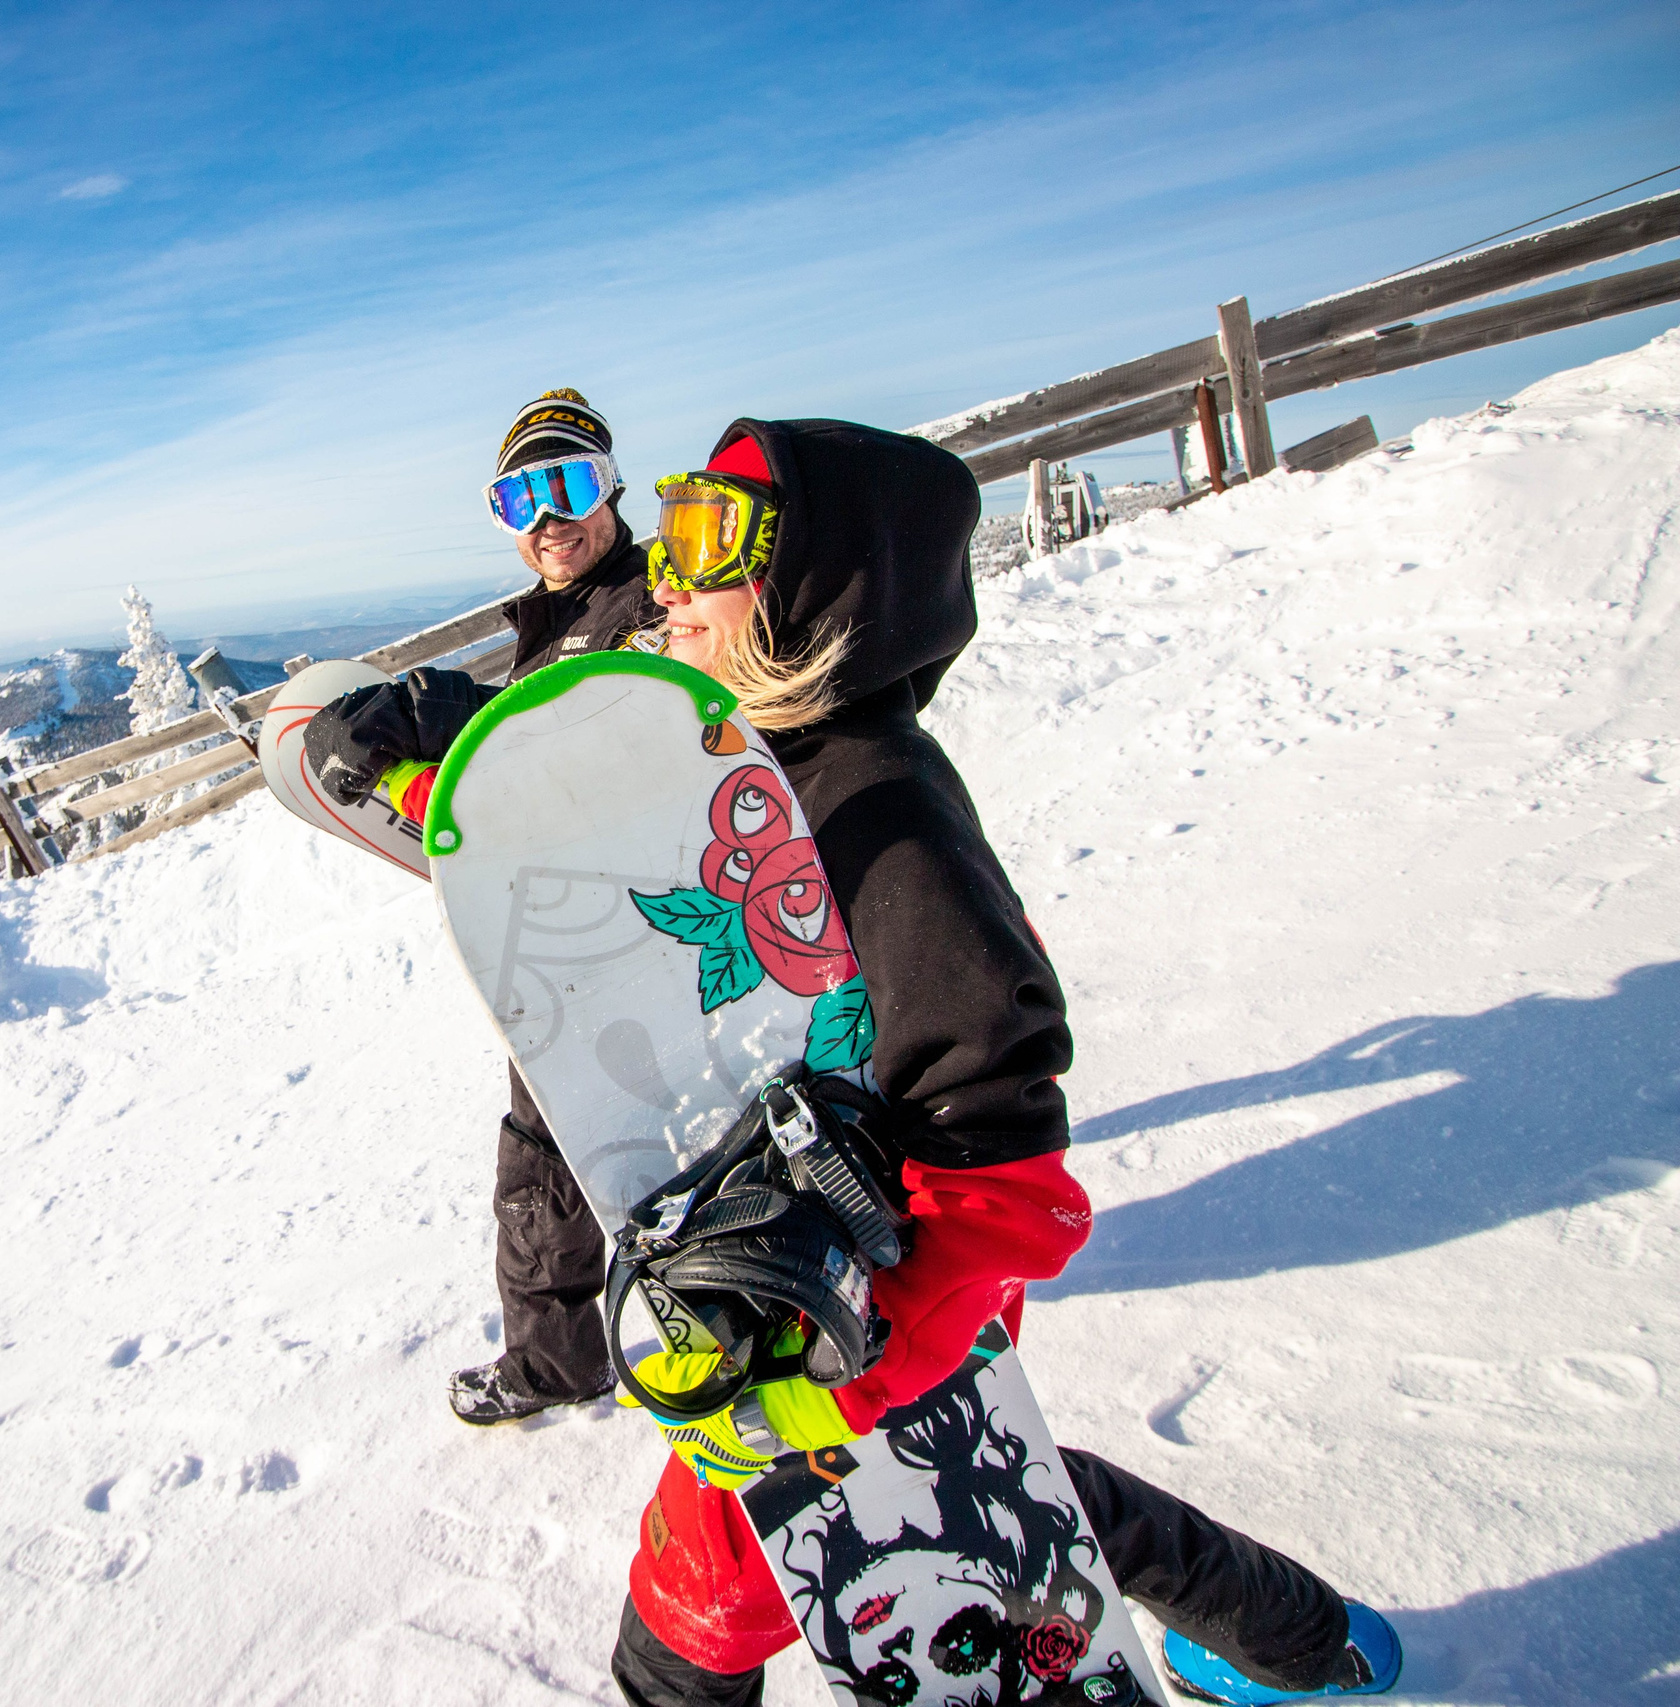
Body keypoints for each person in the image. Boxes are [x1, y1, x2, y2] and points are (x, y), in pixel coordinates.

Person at [599, 418, 1401, 1707]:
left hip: (864, 1311)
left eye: (711, 538)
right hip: (770, 1286)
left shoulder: (876, 809)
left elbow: (1004, 1162)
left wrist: (867, 1365)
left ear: (816, 584)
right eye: (672, 527)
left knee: (867, 1528)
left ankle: (1299, 1635)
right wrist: (422, 764)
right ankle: (1289, 1629)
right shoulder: (748, 771)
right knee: (930, 1501)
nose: (668, 574)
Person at [306, 387, 660, 1425]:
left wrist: (435, 707)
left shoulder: (650, 600)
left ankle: (632, 1350)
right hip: (568, 922)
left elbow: (585, 725)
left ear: (612, 485)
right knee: (553, 1144)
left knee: (567, 1147)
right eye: (521, 500)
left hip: (647, 929)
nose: (549, 519)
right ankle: (565, 1356)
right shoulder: (567, 614)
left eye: (569, 484)